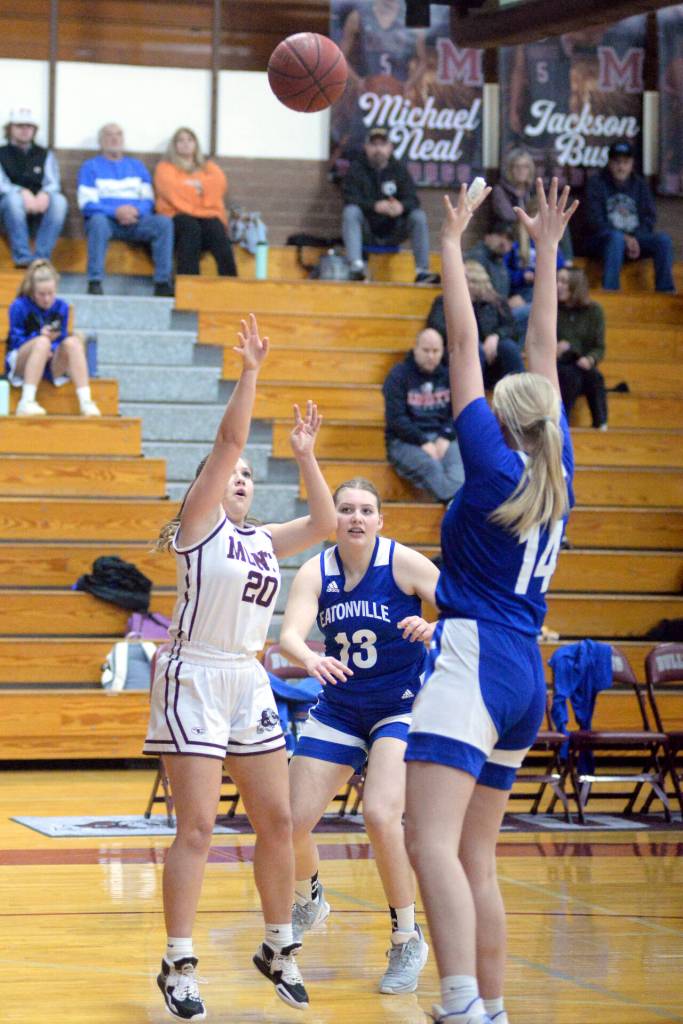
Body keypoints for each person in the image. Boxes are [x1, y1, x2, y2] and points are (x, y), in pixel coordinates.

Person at [404, 178, 577, 1024]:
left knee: (424, 838)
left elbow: (467, 345)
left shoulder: (492, 460)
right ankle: (493, 1005)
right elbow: (541, 354)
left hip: (473, 658)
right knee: (476, 854)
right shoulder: (556, 466)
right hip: (523, 680)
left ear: (498, 424)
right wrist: (543, 251)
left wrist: (450, 241)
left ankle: (459, 1000)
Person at [144, 315, 336, 1020]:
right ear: (211, 484)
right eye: (235, 474)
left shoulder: (261, 539)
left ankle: (279, 945)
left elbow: (320, 525)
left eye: (254, 477)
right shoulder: (199, 524)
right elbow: (228, 442)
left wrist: (305, 455)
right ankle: (178, 960)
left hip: (247, 677)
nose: (244, 479)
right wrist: (251, 372)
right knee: (196, 827)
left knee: (279, 821)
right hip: (194, 673)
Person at [278, 476, 439, 993]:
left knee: (379, 814)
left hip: (400, 706)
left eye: (365, 510)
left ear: (379, 520)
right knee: (288, 822)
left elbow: (467, 612)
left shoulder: (405, 563)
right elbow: (289, 635)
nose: (355, 518)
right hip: (341, 708)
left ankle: (406, 937)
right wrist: (310, 657)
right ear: (335, 518)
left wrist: (434, 629)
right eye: (345, 508)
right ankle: (311, 897)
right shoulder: (314, 570)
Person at [77, 123, 174, 296]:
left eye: (118, 135)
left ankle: (162, 283)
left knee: (164, 223)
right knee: (97, 221)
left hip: (136, 221)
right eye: (109, 135)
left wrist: (135, 212)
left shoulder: (137, 166)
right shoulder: (90, 167)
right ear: (100, 141)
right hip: (107, 222)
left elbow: (148, 200)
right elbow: (87, 204)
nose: (114, 138)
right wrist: (116, 212)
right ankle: (95, 282)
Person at [342, 126, 440, 284]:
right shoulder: (356, 169)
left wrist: (401, 207)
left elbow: (413, 200)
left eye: (382, 144)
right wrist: (375, 206)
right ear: (366, 147)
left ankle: (422, 271)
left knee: (418, 216)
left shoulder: (399, 169)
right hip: (366, 231)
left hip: (394, 230)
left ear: (390, 148)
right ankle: (356, 268)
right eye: (374, 145)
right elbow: (349, 198)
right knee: (350, 212)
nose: (378, 149)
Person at [5, 259, 100, 417]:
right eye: (41, 294)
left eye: (51, 294)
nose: (47, 299)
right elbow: (15, 341)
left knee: (73, 342)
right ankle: (26, 401)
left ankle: (86, 402)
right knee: (42, 343)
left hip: (50, 361)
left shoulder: (62, 307)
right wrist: (39, 337)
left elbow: (61, 337)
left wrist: (53, 347)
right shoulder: (19, 306)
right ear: (32, 292)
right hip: (22, 360)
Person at [383, 327, 465, 503]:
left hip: (443, 437)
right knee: (432, 467)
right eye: (426, 350)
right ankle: (456, 504)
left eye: (436, 351)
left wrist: (445, 435)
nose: (431, 356)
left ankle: (454, 504)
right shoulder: (398, 375)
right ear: (415, 349)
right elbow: (396, 419)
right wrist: (423, 441)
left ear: (442, 351)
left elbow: (457, 412)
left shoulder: (449, 375)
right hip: (404, 440)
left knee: (459, 467)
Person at [584, 140, 675, 293]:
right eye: (617, 162)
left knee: (663, 241)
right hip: (603, 241)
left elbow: (649, 217)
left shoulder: (640, 185)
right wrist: (625, 239)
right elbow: (595, 221)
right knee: (616, 238)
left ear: (632, 163)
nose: (621, 167)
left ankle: (665, 292)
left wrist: (635, 238)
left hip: (635, 240)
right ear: (610, 163)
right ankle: (611, 291)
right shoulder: (596, 183)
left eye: (626, 162)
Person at [154, 127, 237, 277]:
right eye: (180, 140)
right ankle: (189, 282)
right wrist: (200, 188)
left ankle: (230, 281)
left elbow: (219, 186)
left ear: (196, 144)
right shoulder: (164, 168)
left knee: (216, 227)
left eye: (189, 140)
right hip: (177, 216)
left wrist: (187, 186)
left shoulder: (209, 167)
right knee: (190, 226)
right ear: (174, 145)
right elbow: (173, 192)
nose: (185, 144)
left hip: (206, 217)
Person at [427, 265, 525, 389]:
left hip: (492, 356)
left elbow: (511, 328)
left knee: (508, 347)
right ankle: (472, 392)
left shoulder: (497, 302)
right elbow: (436, 327)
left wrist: (496, 336)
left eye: (469, 280)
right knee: (473, 348)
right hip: (460, 352)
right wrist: (465, 336)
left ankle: (519, 390)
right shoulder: (443, 301)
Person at [0, 106, 67, 267]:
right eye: (19, 126)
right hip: (9, 201)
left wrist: (44, 194)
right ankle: (22, 257)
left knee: (59, 201)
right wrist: (21, 192)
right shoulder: (1, 152)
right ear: (10, 129)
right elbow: (1, 184)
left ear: (34, 130)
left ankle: (41, 257)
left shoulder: (44, 154)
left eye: (29, 126)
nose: (25, 130)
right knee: (13, 201)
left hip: (39, 200)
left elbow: (53, 183)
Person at [556, 266, 607, 430]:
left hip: (582, 363)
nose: (558, 285)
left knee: (595, 377)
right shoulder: (553, 309)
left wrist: (590, 358)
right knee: (570, 376)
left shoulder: (594, 311)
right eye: (557, 281)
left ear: (575, 285)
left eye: (563, 281)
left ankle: (601, 424)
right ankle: (563, 423)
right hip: (560, 363)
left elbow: (599, 347)